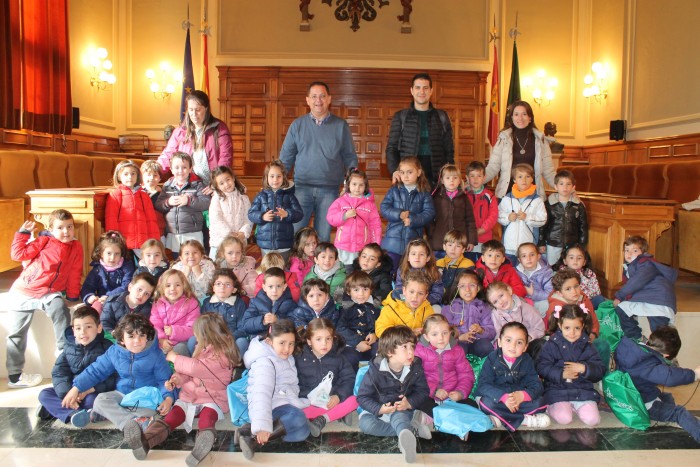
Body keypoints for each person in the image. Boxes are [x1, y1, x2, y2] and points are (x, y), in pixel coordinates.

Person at [130, 313, 239, 465]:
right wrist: (177, 379)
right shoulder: (202, 348)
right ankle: (145, 441)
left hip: (212, 398)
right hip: (190, 395)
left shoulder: (224, 354)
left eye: (197, 333)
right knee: (173, 415)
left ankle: (203, 442)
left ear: (207, 334)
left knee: (208, 416)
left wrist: (174, 357)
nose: (195, 336)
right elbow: (188, 373)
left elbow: (196, 368)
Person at [5, 210, 83, 388]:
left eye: (69, 227)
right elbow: (18, 255)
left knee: (59, 309)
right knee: (16, 334)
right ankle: (15, 376)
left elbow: (74, 272)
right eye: (60, 228)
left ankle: (63, 350)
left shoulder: (75, 246)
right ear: (50, 229)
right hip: (25, 289)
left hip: (49, 292)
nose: (66, 232)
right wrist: (22, 234)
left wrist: (72, 296)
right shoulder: (44, 241)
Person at [64, 314, 174, 437]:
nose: (137, 341)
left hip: (143, 398)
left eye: (141, 335)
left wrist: (168, 399)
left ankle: (108, 415)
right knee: (100, 400)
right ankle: (133, 423)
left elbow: (164, 380)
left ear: (147, 337)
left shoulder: (156, 355)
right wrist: (76, 388)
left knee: (152, 412)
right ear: (122, 339)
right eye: (131, 336)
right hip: (121, 394)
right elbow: (96, 370)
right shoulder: (114, 352)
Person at [279, 81, 358, 242]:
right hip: (301, 188)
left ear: (329, 99)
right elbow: (286, 157)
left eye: (322, 96)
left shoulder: (341, 126)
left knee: (323, 237)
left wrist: (352, 182)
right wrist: (277, 183)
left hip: (329, 190)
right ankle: (296, 266)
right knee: (297, 235)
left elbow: (349, 156)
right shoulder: (297, 125)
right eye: (314, 96)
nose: (318, 100)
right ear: (307, 100)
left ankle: (322, 267)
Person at [235, 319, 311, 460]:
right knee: (297, 418)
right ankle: (253, 438)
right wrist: (262, 426)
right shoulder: (265, 362)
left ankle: (246, 432)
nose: (287, 349)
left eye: (291, 344)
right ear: (270, 342)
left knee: (302, 433)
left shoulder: (283, 356)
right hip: (267, 406)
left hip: (280, 401)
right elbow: (261, 394)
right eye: (282, 343)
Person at [356, 325, 432, 464]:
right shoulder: (375, 371)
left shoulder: (415, 368)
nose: (411, 352)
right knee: (366, 425)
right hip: (379, 409)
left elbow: (423, 391)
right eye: (405, 347)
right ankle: (410, 430)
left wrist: (409, 402)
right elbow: (362, 397)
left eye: (412, 347)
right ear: (390, 351)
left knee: (399, 417)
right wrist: (379, 409)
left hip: (401, 409)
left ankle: (405, 439)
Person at [615, 326, 700, 443]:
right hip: (642, 404)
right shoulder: (648, 363)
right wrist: (694, 374)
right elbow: (669, 376)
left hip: (628, 394)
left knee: (666, 396)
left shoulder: (631, 348)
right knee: (679, 412)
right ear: (666, 356)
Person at [37, 306, 115, 426]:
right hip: (71, 390)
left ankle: (56, 410)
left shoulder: (108, 348)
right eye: (78, 328)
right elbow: (59, 373)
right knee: (44, 394)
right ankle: (73, 414)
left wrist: (86, 391)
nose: (83, 332)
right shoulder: (68, 348)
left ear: (98, 328)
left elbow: (113, 377)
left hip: (92, 391)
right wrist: (67, 393)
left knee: (94, 401)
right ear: (73, 330)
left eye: (88, 327)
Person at [537, 304, 604, 427]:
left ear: (582, 326)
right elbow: (542, 367)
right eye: (567, 328)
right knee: (564, 419)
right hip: (558, 390)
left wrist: (584, 369)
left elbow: (600, 370)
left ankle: (575, 407)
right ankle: (551, 407)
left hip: (583, 391)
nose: (572, 333)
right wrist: (561, 374)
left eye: (577, 328)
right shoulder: (551, 345)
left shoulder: (587, 346)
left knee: (593, 420)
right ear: (559, 325)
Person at [476, 322, 549, 431]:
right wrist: (503, 397)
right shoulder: (492, 358)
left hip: (518, 401)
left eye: (519, 342)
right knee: (485, 403)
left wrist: (523, 395)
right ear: (499, 342)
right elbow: (483, 385)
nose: (513, 346)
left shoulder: (527, 360)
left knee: (542, 402)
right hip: (499, 399)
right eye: (508, 340)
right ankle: (524, 420)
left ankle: (500, 419)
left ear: (525, 347)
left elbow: (536, 385)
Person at [386, 72, 454, 188]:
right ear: (412, 91)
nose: (422, 92)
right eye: (418, 87)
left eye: (425, 88)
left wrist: (448, 173)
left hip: (436, 178)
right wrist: (394, 170)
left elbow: (449, 150)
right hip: (409, 177)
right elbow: (391, 148)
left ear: (431, 91)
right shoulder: (400, 117)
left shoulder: (442, 116)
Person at [414, 314, 476, 437]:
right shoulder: (419, 351)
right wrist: (434, 390)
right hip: (429, 394)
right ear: (426, 336)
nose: (441, 338)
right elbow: (416, 377)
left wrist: (460, 392)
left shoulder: (457, 350)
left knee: (472, 405)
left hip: (450, 395)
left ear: (450, 333)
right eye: (435, 334)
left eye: (445, 333)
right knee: (417, 400)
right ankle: (453, 423)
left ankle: (432, 418)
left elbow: (466, 374)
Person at [158, 90, 233, 190]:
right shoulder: (180, 131)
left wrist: (217, 183)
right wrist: (154, 170)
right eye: (191, 109)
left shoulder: (219, 128)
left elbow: (225, 157)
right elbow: (168, 154)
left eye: (198, 109)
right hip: (191, 185)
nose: (193, 114)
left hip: (214, 184)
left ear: (206, 109)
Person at [295, 318, 358, 436]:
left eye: (328, 339)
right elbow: (294, 383)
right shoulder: (299, 358)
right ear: (309, 341)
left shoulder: (338, 358)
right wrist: (309, 396)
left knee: (355, 400)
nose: (324, 343)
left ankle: (322, 419)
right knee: (295, 410)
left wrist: (338, 396)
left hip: (331, 400)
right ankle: (335, 415)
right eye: (318, 339)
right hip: (309, 401)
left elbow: (349, 378)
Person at [484, 100, 556, 199]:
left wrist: (563, 186)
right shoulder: (503, 138)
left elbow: (549, 171)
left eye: (524, 114)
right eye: (516, 114)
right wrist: (476, 181)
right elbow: (493, 167)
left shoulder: (541, 140)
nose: (520, 118)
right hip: (507, 194)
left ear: (530, 118)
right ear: (512, 118)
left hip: (533, 196)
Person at [614, 236, 678, 340]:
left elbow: (636, 283)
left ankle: (665, 351)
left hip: (658, 300)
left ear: (643, 252)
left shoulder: (646, 263)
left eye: (634, 250)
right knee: (622, 309)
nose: (629, 254)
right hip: (648, 298)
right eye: (626, 250)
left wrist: (619, 296)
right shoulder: (632, 266)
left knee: (660, 332)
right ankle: (636, 337)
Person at [380, 156, 436, 272]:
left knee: (409, 273)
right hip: (392, 243)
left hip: (413, 243)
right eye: (402, 172)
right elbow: (384, 208)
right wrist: (399, 214)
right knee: (390, 272)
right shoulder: (394, 190)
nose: (405, 176)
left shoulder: (424, 192)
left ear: (419, 172)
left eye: (409, 172)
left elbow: (429, 213)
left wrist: (413, 220)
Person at [155, 152, 211, 255]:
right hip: (173, 234)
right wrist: (168, 202)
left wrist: (189, 201)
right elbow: (158, 205)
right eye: (176, 167)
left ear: (190, 169)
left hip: (193, 233)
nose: (180, 171)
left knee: (193, 258)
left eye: (184, 167)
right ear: (171, 169)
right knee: (177, 260)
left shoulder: (197, 185)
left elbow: (206, 203)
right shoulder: (167, 186)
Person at [248, 160, 303, 263]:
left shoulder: (289, 196)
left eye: (279, 176)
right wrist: (262, 216)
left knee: (282, 269)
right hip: (265, 243)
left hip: (284, 243)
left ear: (284, 177)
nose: (275, 180)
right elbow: (251, 214)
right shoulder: (261, 196)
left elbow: (299, 214)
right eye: (272, 176)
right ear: (266, 178)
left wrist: (287, 214)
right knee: (268, 271)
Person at [326, 167, 382, 267]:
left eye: (361, 185)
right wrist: (344, 216)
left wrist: (375, 244)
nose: (357, 188)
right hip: (343, 246)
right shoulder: (340, 201)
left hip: (362, 247)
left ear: (366, 186)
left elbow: (375, 225)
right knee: (343, 271)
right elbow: (331, 218)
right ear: (348, 185)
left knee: (358, 273)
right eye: (354, 184)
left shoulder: (370, 205)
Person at [105, 160, 161, 255]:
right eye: (126, 174)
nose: (130, 177)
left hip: (143, 243)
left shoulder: (144, 195)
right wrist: (114, 241)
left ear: (138, 176)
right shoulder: (115, 195)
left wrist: (155, 241)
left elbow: (151, 220)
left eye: (133, 174)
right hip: (124, 244)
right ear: (119, 176)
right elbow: (111, 219)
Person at [498, 163, 547, 262]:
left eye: (527, 177)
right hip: (509, 247)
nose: (524, 180)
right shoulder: (507, 198)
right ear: (514, 180)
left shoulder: (537, 200)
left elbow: (542, 219)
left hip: (527, 247)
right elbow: (498, 215)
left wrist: (527, 217)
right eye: (520, 177)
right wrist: (508, 217)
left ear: (532, 179)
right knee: (509, 272)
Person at [538, 169, 588, 265]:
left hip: (572, 244)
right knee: (553, 267)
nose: (565, 187)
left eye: (568, 184)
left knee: (570, 267)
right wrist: (541, 242)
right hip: (553, 243)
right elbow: (543, 226)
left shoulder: (578, 205)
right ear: (556, 187)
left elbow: (583, 226)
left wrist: (581, 244)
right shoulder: (548, 204)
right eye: (561, 184)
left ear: (573, 187)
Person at [441, 270, 495, 357]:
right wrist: (459, 337)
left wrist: (481, 330)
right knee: (459, 351)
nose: (467, 289)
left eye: (472, 285)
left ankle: (480, 367)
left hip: (477, 341)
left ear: (478, 288)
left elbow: (491, 331)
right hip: (458, 341)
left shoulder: (484, 307)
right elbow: (443, 330)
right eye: (462, 286)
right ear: (457, 288)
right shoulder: (450, 307)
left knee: (487, 347)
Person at [427, 163, 478, 254]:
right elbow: (430, 220)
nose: (451, 181)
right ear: (442, 180)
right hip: (439, 243)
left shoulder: (464, 198)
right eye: (448, 178)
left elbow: (470, 221)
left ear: (459, 180)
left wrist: (471, 241)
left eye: (455, 178)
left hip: (459, 243)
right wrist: (432, 237)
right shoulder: (436, 198)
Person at [80, 230, 135, 313]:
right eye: (109, 253)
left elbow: (126, 286)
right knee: (95, 309)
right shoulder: (97, 270)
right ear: (101, 253)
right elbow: (88, 286)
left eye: (117, 254)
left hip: (121, 300)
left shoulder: (127, 267)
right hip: (102, 300)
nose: (112, 258)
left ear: (121, 254)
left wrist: (109, 296)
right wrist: (89, 297)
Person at [336, 271, 380, 372]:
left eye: (365, 289)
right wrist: (357, 342)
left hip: (371, 341)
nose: (361, 294)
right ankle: (353, 382)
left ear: (371, 290)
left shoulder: (376, 302)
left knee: (380, 353)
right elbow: (340, 328)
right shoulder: (345, 306)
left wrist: (375, 334)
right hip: (351, 343)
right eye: (356, 290)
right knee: (350, 358)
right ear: (348, 291)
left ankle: (376, 379)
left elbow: (381, 321)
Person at [149, 269, 200, 355]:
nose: (173, 288)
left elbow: (193, 328)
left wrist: (174, 331)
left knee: (181, 348)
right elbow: (155, 325)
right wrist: (162, 340)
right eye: (168, 285)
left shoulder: (192, 303)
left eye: (177, 285)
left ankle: (179, 366)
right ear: (162, 288)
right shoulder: (157, 303)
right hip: (162, 341)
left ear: (184, 286)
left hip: (182, 341)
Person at [198, 269, 249, 355]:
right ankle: (203, 363)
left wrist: (230, 337)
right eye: (218, 284)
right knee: (193, 341)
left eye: (227, 284)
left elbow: (243, 327)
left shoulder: (239, 304)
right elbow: (202, 325)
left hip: (231, 341)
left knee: (242, 342)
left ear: (234, 289)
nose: (222, 287)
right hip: (211, 340)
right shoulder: (207, 303)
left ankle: (234, 366)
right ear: (213, 287)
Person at [208, 165, 253, 258]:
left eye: (228, 180)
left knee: (237, 269)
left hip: (238, 241)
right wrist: (229, 233)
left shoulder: (243, 197)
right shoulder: (216, 199)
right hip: (220, 242)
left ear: (233, 178)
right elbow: (216, 218)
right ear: (217, 186)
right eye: (221, 183)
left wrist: (243, 233)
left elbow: (248, 217)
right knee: (217, 269)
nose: (226, 184)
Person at [242, 267, 298, 338]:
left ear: (284, 287)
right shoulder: (256, 302)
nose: (274, 290)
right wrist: (263, 321)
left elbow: (296, 323)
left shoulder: (290, 304)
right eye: (270, 287)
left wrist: (278, 320)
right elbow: (245, 324)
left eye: (278, 286)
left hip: (281, 340)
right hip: (261, 340)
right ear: (264, 287)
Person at [377, 270, 434, 337]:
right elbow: (381, 331)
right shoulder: (390, 308)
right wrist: (407, 334)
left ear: (425, 296)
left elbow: (433, 328)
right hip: (397, 345)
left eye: (420, 293)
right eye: (411, 292)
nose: (415, 297)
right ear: (404, 291)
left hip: (419, 345)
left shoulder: (428, 309)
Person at [394, 238, 445, 310]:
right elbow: (398, 289)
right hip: (406, 302)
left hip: (426, 303)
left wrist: (422, 300)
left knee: (437, 309)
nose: (417, 257)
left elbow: (437, 294)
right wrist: (408, 300)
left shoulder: (433, 272)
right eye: (413, 254)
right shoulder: (402, 270)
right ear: (408, 257)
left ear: (427, 258)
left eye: (421, 254)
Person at [553, 244, 605, 308]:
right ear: (565, 261)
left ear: (584, 262)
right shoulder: (560, 274)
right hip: (569, 302)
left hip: (585, 300)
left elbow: (596, 291)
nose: (575, 261)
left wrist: (581, 297)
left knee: (600, 299)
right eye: (571, 257)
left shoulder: (589, 273)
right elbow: (559, 292)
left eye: (579, 258)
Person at [466, 161, 499, 257]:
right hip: (467, 238)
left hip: (484, 238)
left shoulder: (489, 196)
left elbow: (493, 216)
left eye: (479, 176)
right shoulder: (463, 195)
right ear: (467, 178)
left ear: (484, 178)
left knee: (483, 265)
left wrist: (483, 229)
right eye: (472, 176)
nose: (475, 179)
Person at [214, 235, 257, 301]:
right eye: (230, 253)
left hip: (243, 300)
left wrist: (240, 289)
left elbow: (255, 286)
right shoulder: (218, 267)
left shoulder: (248, 266)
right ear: (222, 254)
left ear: (242, 253)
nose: (234, 256)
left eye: (238, 253)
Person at [515, 242, 553, 316]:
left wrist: (533, 293)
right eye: (524, 256)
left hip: (540, 301)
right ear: (519, 260)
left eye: (532, 255)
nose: (528, 258)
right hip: (523, 302)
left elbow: (550, 293)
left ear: (538, 256)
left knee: (548, 304)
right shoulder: (515, 272)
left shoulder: (546, 272)